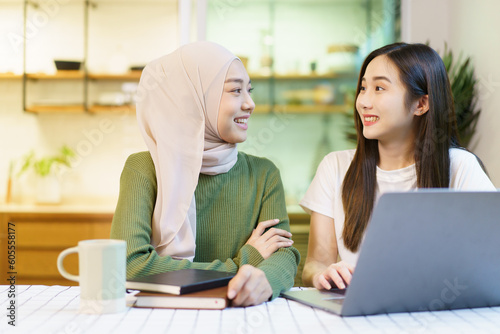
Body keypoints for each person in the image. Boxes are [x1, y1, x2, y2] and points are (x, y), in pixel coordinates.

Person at [111, 41, 300, 306]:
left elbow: (283, 255)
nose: (250, 103)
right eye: (236, 90)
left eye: (249, 90)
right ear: (195, 99)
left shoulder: (263, 173)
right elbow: (128, 265)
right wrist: (242, 264)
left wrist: (265, 281)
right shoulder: (143, 169)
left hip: (238, 317)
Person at [300, 42, 496, 290]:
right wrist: (322, 274)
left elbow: (489, 260)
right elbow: (314, 264)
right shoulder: (335, 166)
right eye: (363, 88)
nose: (363, 102)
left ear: (421, 104)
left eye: (379, 88)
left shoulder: (459, 166)